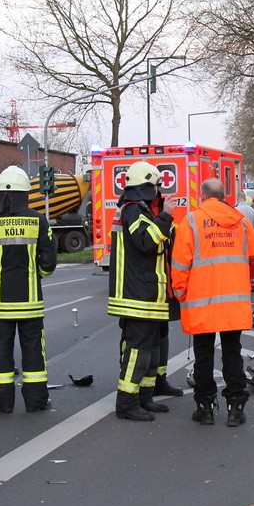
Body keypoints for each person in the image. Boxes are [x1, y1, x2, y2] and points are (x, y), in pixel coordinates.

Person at [172, 178, 254, 427]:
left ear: (203, 197)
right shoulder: (241, 220)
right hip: (233, 300)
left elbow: (180, 262)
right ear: (223, 196)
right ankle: (235, 409)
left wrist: (180, 293)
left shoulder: (192, 220)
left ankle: (205, 408)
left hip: (202, 301)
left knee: (203, 356)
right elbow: (253, 250)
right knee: (233, 353)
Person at [0, 166, 58, 413]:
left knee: (0, 353)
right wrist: (36, 275)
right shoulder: (38, 221)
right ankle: (36, 401)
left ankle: (1, 402)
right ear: (25, 193)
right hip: (31, 302)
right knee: (33, 353)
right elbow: (49, 261)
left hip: (0, 304)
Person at [108, 161, 178, 422]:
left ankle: (145, 397)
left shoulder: (138, 210)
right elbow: (146, 241)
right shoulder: (133, 211)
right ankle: (127, 403)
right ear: (147, 185)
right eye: (156, 185)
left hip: (146, 293)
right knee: (138, 349)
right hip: (137, 295)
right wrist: (166, 215)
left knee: (150, 347)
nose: (159, 190)